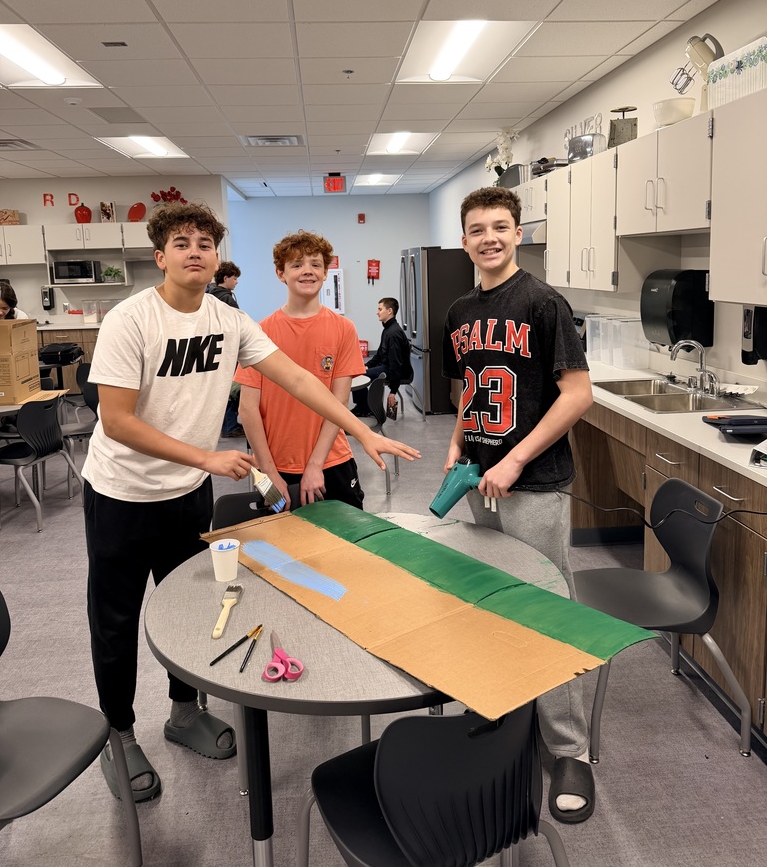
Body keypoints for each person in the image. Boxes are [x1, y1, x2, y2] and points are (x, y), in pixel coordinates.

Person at [82, 203, 419, 804]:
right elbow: (117, 421)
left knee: (193, 609)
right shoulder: (131, 319)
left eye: (205, 243)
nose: (195, 251)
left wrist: (360, 430)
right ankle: (119, 733)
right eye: (181, 243)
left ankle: (185, 710)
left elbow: (300, 380)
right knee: (116, 619)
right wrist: (207, 458)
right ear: (160, 257)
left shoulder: (229, 320)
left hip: (187, 493)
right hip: (122, 494)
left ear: (217, 258)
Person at [441, 186, 595, 825]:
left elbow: (578, 394)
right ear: (465, 240)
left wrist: (515, 460)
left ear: (519, 233)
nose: (489, 239)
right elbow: (469, 390)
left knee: (544, 613)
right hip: (481, 481)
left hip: (532, 484)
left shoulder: (543, 302)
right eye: (478, 230)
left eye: (500, 227)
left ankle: (569, 750)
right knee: (494, 604)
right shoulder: (459, 312)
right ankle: (506, 710)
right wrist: (458, 443)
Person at [236, 230, 366, 510]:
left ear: (325, 272)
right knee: (277, 536)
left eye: (315, 264)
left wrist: (316, 464)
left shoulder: (344, 329)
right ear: (280, 274)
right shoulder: (259, 332)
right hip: (273, 465)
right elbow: (247, 409)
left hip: (332, 460)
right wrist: (269, 472)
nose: (308, 271)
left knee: (346, 535)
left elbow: (339, 403)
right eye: (297, 264)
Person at [351, 297, 411, 419]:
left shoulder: (393, 333)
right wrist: (366, 365)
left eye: (380, 309)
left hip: (394, 370)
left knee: (358, 375)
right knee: (358, 371)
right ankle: (363, 406)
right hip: (387, 366)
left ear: (389, 311)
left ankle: (364, 408)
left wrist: (393, 391)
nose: (377, 312)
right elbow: (379, 354)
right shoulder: (388, 329)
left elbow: (396, 364)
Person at [207, 260, 244, 436]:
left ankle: (226, 426)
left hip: (214, 349)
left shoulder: (209, 295)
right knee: (230, 390)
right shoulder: (226, 299)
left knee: (221, 389)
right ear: (226, 278)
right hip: (226, 349)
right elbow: (236, 324)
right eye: (234, 278)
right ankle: (230, 427)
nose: (236, 282)